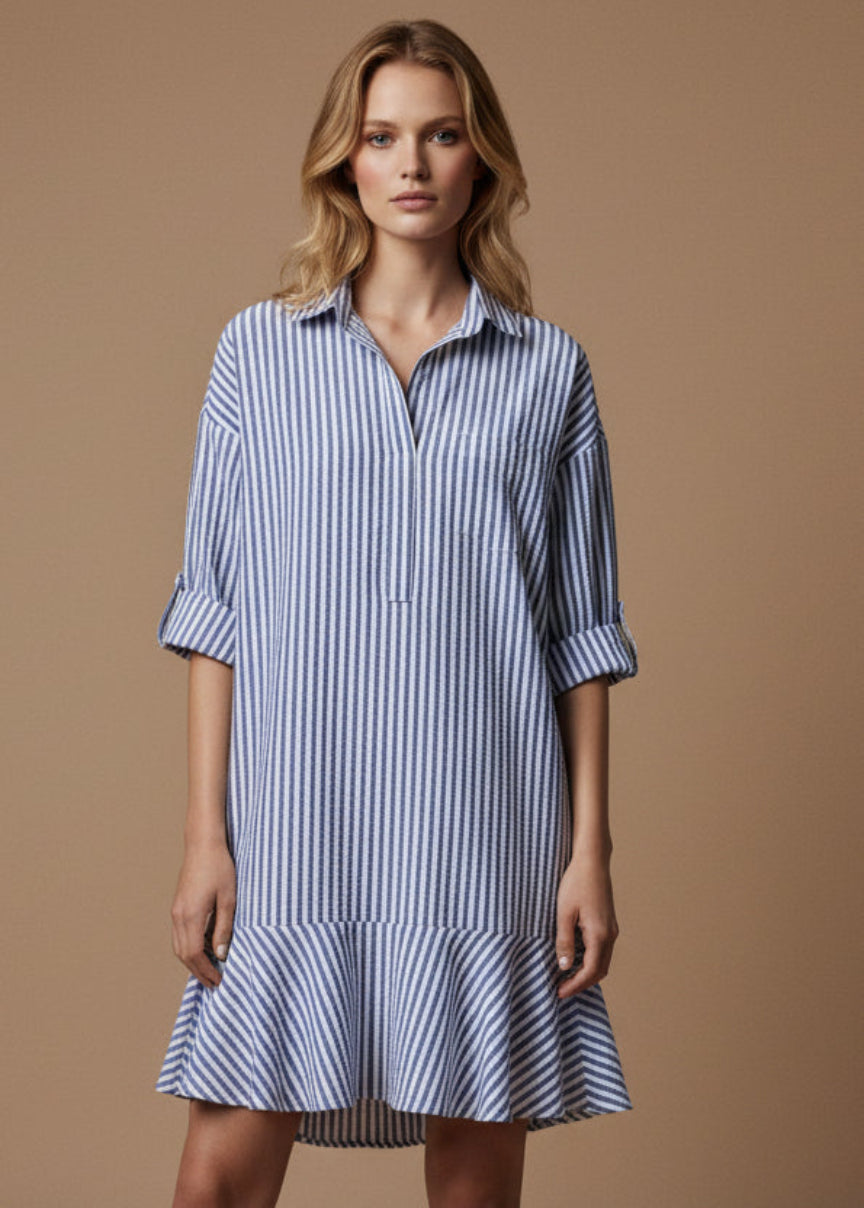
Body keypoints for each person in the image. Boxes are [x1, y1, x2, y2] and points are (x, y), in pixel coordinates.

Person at [155, 17, 639, 1208]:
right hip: (299, 816)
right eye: (382, 137)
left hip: (484, 819)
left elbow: (580, 636)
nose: (411, 164)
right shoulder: (258, 356)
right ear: (345, 161)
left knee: (474, 1186)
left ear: (482, 160)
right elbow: (215, 608)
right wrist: (206, 837)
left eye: (441, 135)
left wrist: (589, 852)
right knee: (219, 1177)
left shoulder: (547, 371)